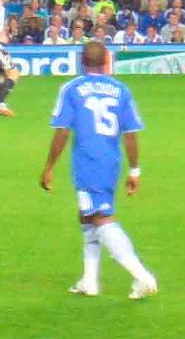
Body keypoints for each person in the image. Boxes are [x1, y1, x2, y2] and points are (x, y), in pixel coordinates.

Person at [39, 40, 157, 300]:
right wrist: (134, 170)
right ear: (106, 61)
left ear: (82, 61)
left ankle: (142, 276)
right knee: (87, 217)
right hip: (110, 161)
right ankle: (89, 280)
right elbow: (131, 133)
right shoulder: (121, 90)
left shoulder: (72, 88)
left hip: (88, 162)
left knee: (101, 218)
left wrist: (49, 167)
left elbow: (62, 130)